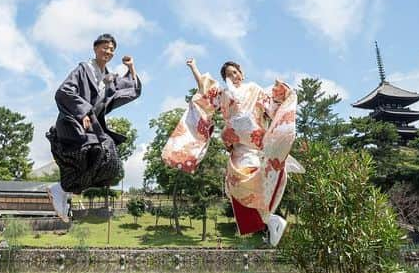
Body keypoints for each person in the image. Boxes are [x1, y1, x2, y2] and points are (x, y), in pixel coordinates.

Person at [162, 58, 301, 247]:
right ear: (225, 80)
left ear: (241, 73)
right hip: (237, 149)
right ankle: (270, 220)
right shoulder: (224, 94)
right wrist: (194, 67)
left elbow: (273, 105)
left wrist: (284, 93)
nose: (233, 76)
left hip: (254, 147)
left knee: (248, 183)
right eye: (228, 75)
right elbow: (205, 89)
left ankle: (271, 216)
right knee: (234, 188)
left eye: (235, 72)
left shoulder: (254, 89)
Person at [45, 33, 141, 221]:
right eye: (105, 47)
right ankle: (62, 190)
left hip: (91, 130)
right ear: (95, 48)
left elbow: (132, 89)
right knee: (97, 152)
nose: (108, 51)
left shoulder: (109, 78)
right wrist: (84, 112)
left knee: (110, 166)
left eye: (112, 49)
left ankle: (62, 190)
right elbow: (63, 92)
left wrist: (131, 67)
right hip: (72, 124)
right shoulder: (83, 69)